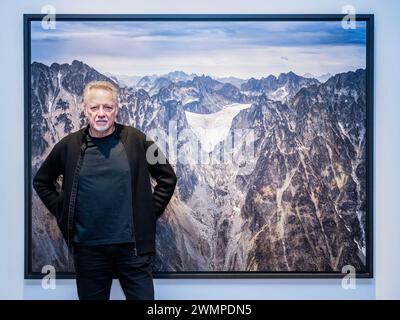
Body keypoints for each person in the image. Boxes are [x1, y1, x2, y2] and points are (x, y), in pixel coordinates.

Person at [33, 80, 177, 300]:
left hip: (133, 251)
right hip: (88, 251)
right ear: (85, 110)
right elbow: (42, 181)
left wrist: (147, 214)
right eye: (94, 107)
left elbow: (167, 177)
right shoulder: (69, 145)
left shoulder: (137, 140)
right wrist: (62, 211)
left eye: (108, 107)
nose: (101, 113)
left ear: (116, 109)